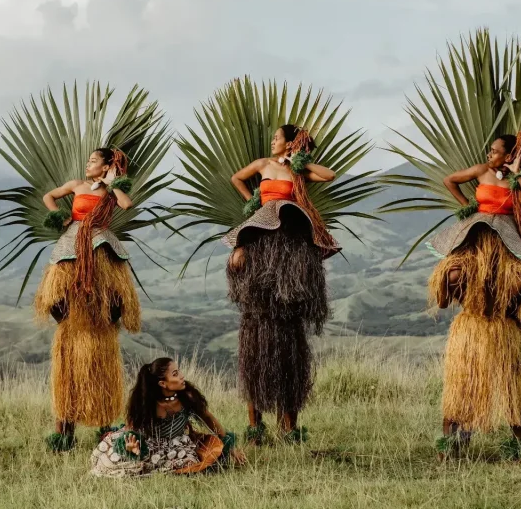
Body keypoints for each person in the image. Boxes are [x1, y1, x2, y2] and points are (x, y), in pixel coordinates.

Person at [427, 132, 521, 460]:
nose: (490, 154)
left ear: (509, 155)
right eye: (490, 150)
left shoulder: (517, 180)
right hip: (476, 235)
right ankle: (452, 447)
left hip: (506, 243)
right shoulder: (481, 171)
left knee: (518, 283)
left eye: (496, 151)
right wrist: (467, 207)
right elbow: (450, 180)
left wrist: (517, 173)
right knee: (453, 274)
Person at [222, 124, 338, 443]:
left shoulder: (297, 172)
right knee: (253, 323)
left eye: (277, 138)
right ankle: (255, 426)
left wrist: (299, 161)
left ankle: (288, 427)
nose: (272, 141)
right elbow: (236, 178)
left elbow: (329, 175)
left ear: (289, 143)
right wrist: (253, 201)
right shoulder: (262, 164)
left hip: (289, 239)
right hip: (261, 231)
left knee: (289, 333)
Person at [35, 148, 142, 452]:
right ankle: (64, 433)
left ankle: (105, 428)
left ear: (107, 166)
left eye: (94, 161)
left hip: (100, 244)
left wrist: (112, 183)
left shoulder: (110, 191)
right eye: (89, 161)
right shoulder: (76, 185)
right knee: (57, 292)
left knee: (108, 299)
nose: (88, 164)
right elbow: (49, 196)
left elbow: (126, 204)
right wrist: (61, 217)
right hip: (71, 243)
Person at [91, 357, 245, 477]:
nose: (182, 376)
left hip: (178, 444)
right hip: (149, 443)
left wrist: (229, 446)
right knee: (119, 463)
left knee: (203, 461)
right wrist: (131, 447)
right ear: (163, 384)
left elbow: (208, 418)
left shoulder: (187, 396)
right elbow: (131, 431)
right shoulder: (147, 404)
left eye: (179, 371)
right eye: (175, 374)